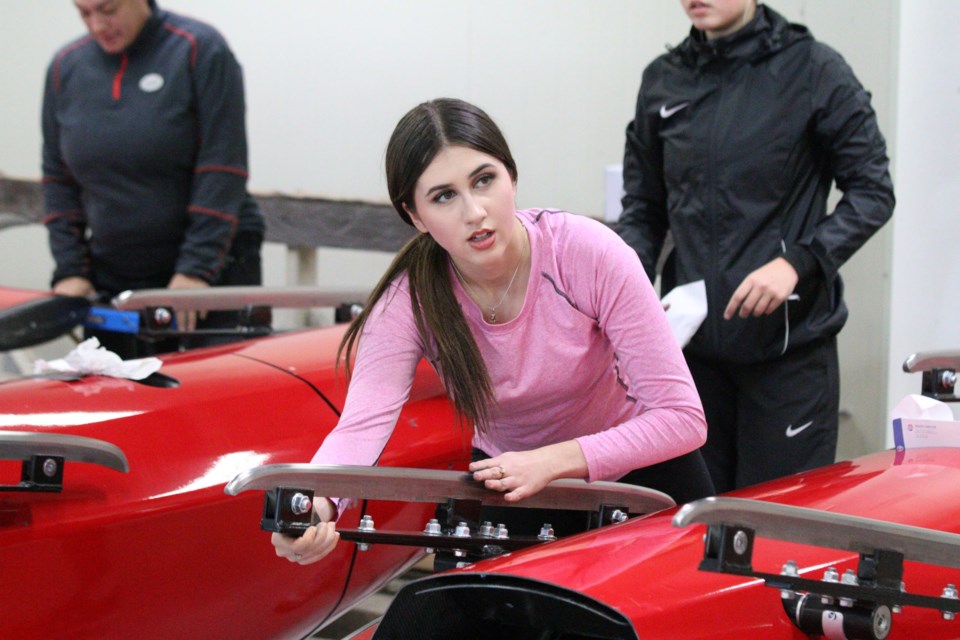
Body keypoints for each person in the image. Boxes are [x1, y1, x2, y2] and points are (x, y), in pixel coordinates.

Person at [272, 98, 712, 565]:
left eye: (485, 180)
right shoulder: (409, 300)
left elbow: (682, 417)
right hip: (512, 484)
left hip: (642, 473)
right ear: (415, 216)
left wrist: (553, 460)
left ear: (512, 177)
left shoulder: (588, 252)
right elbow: (360, 428)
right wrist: (315, 506)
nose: (475, 211)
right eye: (444, 196)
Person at [617, 0, 895, 494]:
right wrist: (620, 296)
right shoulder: (663, 79)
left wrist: (798, 263)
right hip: (692, 356)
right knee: (688, 529)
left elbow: (872, 193)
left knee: (773, 535)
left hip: (788, 354)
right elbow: (644, 209)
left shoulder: (814, 69)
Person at [41, 0, 265, 357]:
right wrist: (70, 270)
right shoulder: (65, 67)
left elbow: (223, 166)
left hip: (210, 266)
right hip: (116, 268)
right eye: (84, 14)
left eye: (108, 9)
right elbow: (57, 178)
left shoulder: (199, 48)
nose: (98, 25)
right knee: (117, 396)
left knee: (208, 394)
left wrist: (196, 270)